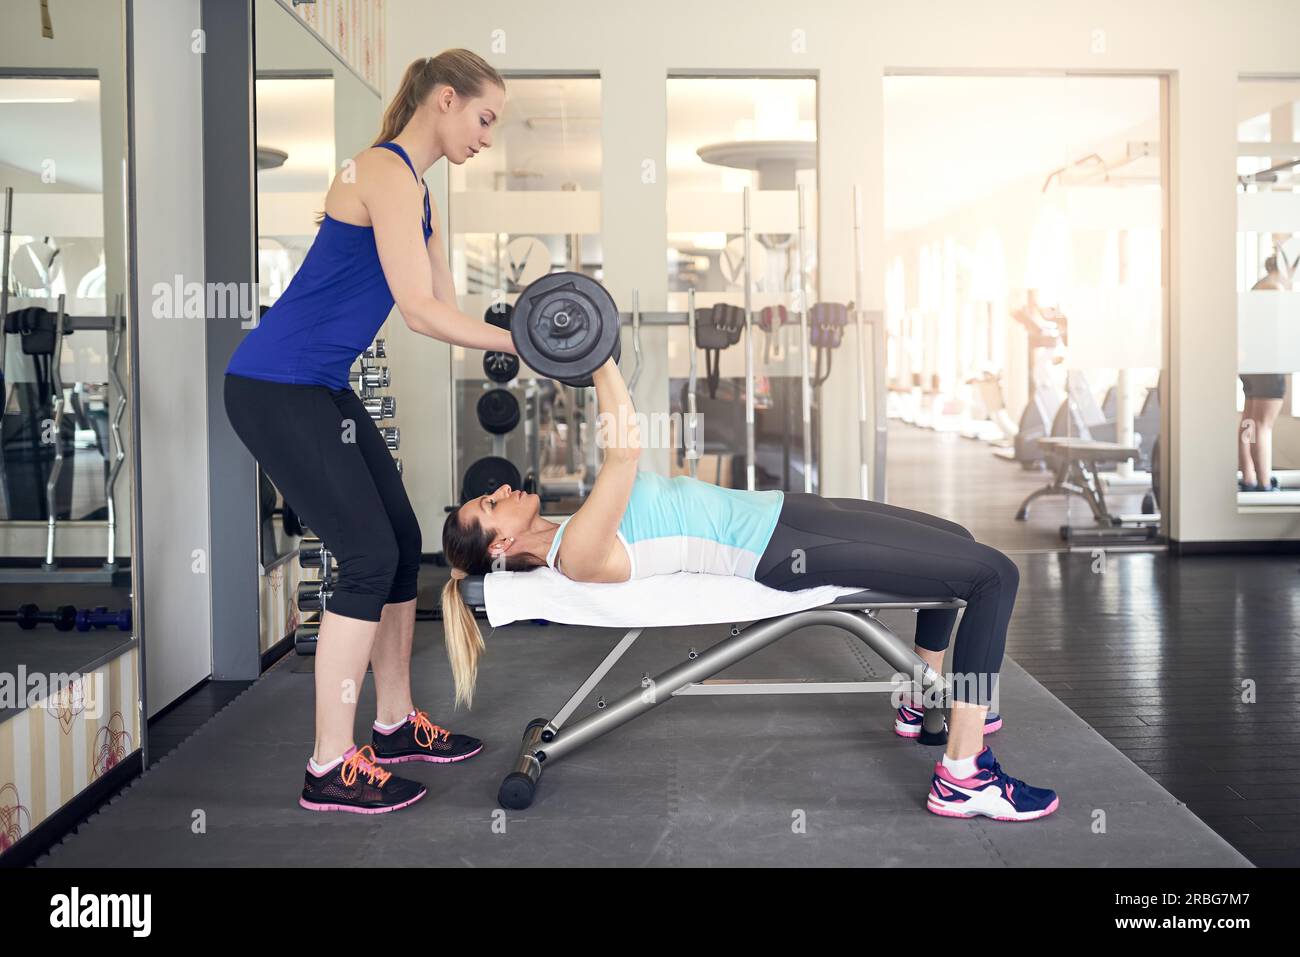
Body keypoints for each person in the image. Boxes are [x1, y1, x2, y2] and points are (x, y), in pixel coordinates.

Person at [441, 357, 1059, 823]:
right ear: (499, 547)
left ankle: (921, 697)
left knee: (954, 535)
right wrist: (600, 360)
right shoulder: (573, 552)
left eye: (490, 494)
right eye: (491, 506)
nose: (501, 490)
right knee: (993, 574)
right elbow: (624, 454)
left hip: (783, 513)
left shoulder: (570, 526)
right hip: (785, 549)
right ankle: (963, 772)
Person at [224, 51, 514, 814]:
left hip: (318, 385)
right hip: (273, 385)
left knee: (397, 535)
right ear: (446, 99)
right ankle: (328, 762)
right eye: (484, 118)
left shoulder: (419, 193)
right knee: (366, 553)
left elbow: (445, 312)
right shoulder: (381, 172)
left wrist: (524, 334)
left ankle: (392, 725)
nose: (487, 136)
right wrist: (519, 344)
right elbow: (418, 312)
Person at [1238, 240, 1294, 493]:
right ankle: (1263, 482)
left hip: (1251, 363)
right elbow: (1282, 331)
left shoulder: (1258, 286)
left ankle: (1249, 476)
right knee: (1264, 425)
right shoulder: (1275, 289)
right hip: (1268, 363)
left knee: (1249, 421)